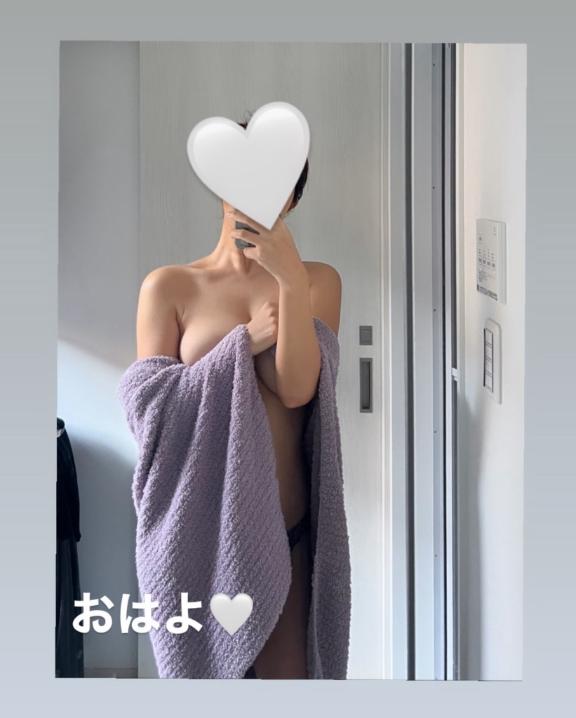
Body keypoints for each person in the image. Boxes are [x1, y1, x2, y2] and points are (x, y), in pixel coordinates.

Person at [135, 118, 342, 679]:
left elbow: (297, 390)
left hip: (288, 531)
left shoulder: (317, 281)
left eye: (276, 183)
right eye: (243, 178)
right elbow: (150, 409)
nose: (255, 196)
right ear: (219, 184)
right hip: (195, 534)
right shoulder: (170, 286)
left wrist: (289, 282)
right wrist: (241, 344)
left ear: (292, 200)